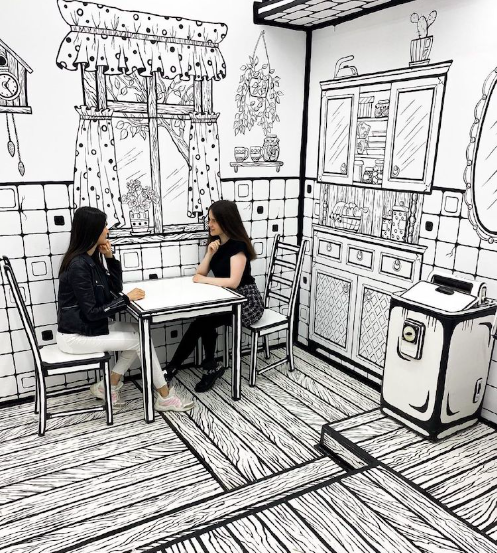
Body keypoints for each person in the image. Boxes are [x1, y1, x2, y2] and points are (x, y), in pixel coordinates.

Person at [56, 206, 193, 412]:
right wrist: (127, 299)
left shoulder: (90, 260)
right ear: (92, 230)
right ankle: (165, 396)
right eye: (104, 226)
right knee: (140, 340)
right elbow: (92, 312)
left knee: (138, 332)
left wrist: (110, 258)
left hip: (88, 328)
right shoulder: (78, 266)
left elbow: (115, 287)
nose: (107, 230)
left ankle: (108, 386)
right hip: (75, 336)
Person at [166, 200, 264, 392]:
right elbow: (200, 272)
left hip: (246, 302)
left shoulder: (238, 246)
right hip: (227, 298)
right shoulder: (217, 243)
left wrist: (204, 280)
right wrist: (210, 253)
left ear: (226, 221)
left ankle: (172, 368)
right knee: (204, 320)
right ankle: (208, 367)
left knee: (202, 322)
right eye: (209, 220)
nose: (209, 224)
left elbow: (234, 282)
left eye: (214, 220)